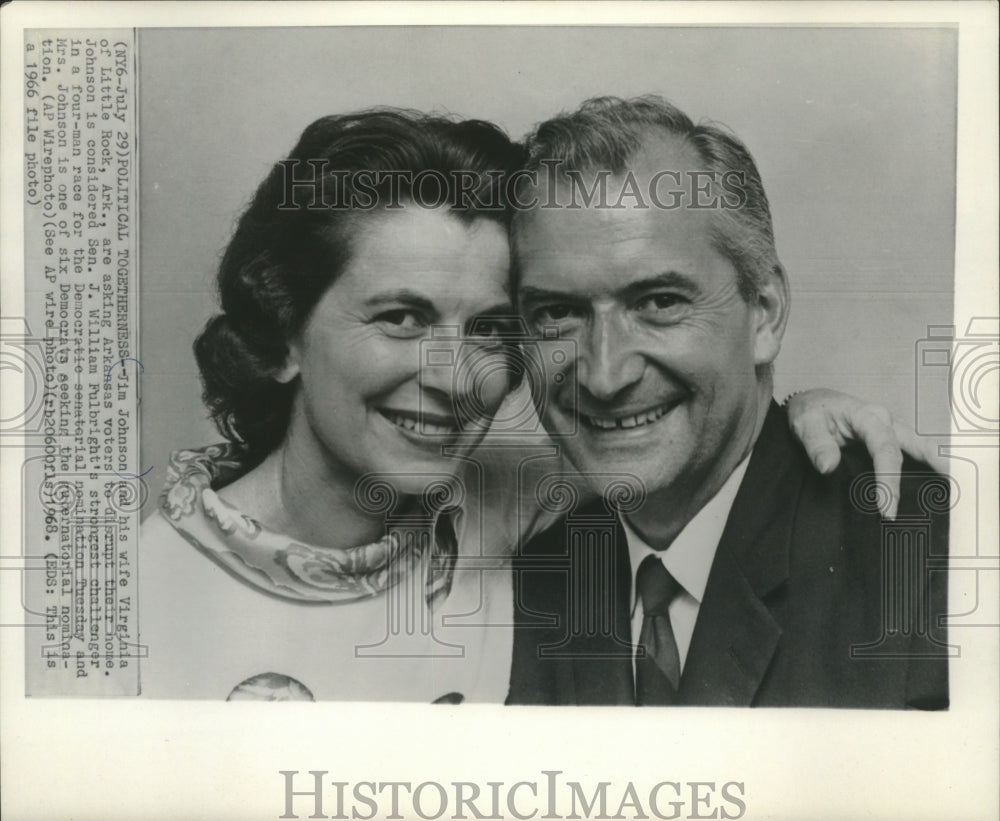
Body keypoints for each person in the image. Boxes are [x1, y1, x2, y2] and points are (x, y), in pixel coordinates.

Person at [139, 106, 935, 702]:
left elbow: (711, 442)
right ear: (283, 335)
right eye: (401, 317)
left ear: (765, 313)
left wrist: (798, 411)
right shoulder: (136, 598)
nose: (604, 370)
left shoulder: (506, 508)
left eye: (491, 327)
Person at [506, 97, 949, 708]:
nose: (604, 376)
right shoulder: (523, 583)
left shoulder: (926, 563)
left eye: (659, 302)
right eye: (557, 313)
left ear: (764, 314)